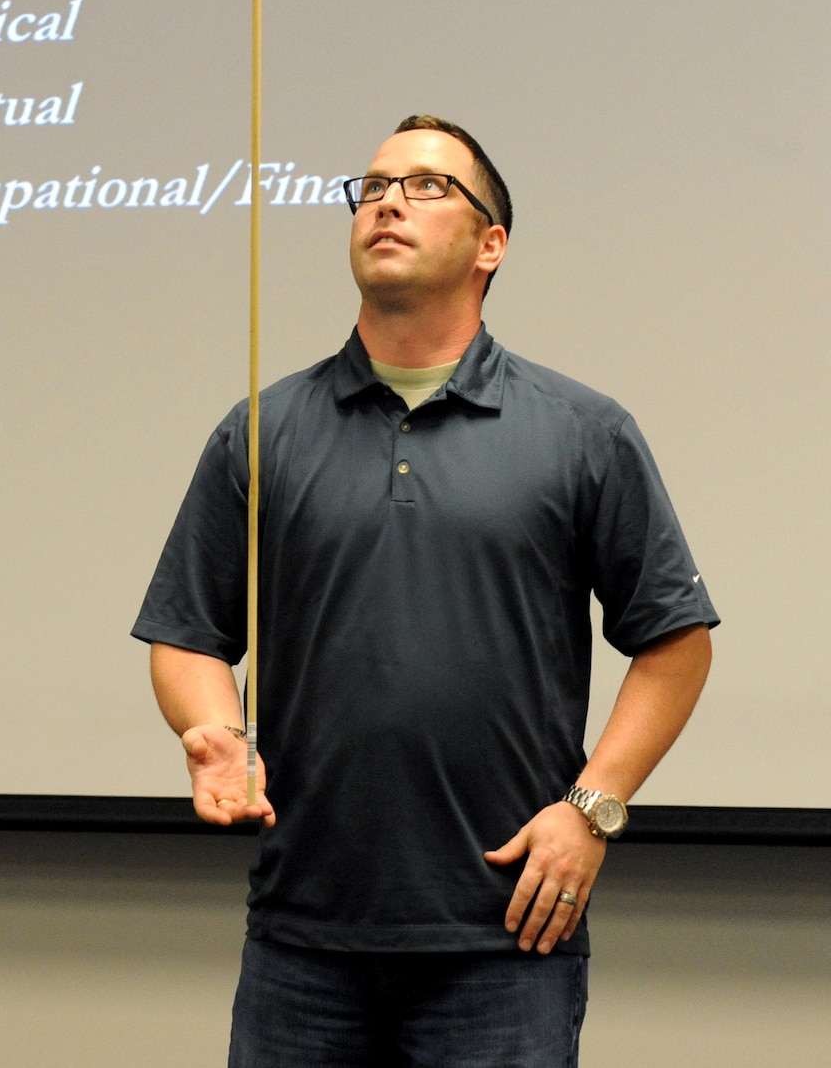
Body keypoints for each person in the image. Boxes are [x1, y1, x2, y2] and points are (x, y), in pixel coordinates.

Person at [134, 116, 715, 1066]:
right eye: (372, 186)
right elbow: (190, 632)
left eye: (429, 185)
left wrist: (592, 809)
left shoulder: (581, 432)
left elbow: (675, 643)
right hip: (302, 940)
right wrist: (210, 730)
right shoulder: (262, 430)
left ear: (493, 244)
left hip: (506, 939)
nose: (389, 201)